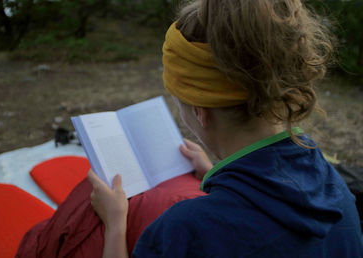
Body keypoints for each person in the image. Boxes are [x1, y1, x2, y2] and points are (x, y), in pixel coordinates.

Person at [86, 0, 363, 257]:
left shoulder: (183, 231)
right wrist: (213, 172)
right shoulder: (336, 189)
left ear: (200, 112)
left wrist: (115, 224)